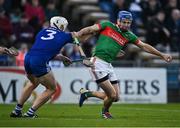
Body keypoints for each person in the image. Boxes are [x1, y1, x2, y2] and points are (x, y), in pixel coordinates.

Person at [77, 10, 172, 119]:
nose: (126, 25)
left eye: (128, 22)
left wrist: (162, 55)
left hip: (108, 65)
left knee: (116, 97)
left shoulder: (129, 35)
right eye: (124, 22)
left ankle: (86, 94)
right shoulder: (107, 25)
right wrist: (79, 33)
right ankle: (105, 112)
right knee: (111, 95)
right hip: (97, 64)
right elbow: (91, 29)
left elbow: (144, 46)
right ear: (118, 21)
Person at [10, 16, 83, 118]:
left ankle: (17, 110)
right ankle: (30, 112)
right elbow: (80, 36)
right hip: (39, 61)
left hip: (28, 58)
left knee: (32, 83)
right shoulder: (64, 35)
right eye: (63, 26)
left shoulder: (42, 32)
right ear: (60, 25)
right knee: (52, 88)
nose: (64, 28)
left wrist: (61, 57)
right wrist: (85, 33)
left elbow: (44, 49)